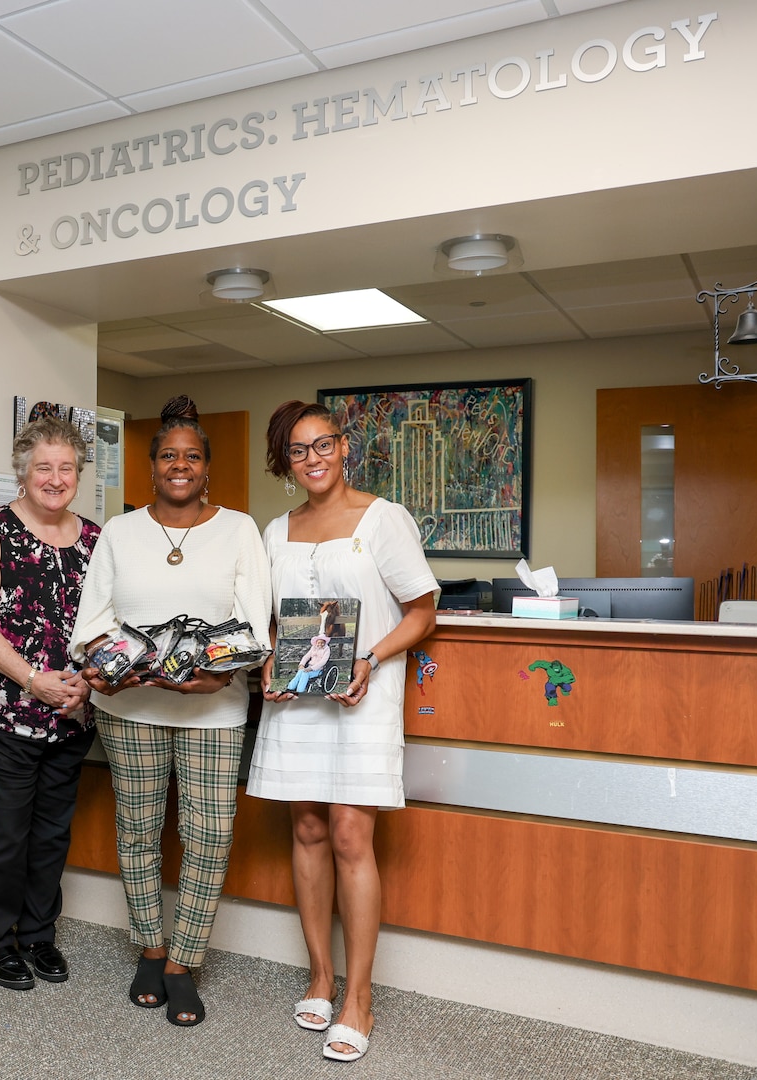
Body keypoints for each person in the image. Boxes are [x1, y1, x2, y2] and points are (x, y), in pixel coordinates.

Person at [70, 395, 272, 1028]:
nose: (178, 466)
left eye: (191, 457)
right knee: (138, 832)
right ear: (151, 465)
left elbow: (254, 624)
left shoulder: (239, 529)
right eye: (167, 456)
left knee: (209, 835)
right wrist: (110, 666)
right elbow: (91, 622)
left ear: (207, 467)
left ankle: (185, 961)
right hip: (132, 707)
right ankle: (150, 950)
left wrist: (215, 675)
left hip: (214, 709)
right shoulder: (120, 533)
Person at [247, 400, 438, 1063]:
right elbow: (274, 620)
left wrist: (370, 659)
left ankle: (358, 998)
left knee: (352, 833)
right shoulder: (276, 530)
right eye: (297, 450)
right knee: (306, 828)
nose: (312, 459)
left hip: (361, 693)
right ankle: (320, 978)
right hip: (298, 698)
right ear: (285, 461)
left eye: (321, 444)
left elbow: (421, 611)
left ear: (343, 447)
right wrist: (272, 653)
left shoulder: (381, 520)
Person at [0, 417, 101, 991]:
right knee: (3, 832)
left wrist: (87, 679)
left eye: (66, 467)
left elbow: (106, 625)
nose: (55, 478)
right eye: (44, 467)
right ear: (23, 472)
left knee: (50, 831)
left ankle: (38, 935)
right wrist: (33, 679)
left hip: (69, 711)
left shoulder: (94, 538)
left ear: (79, 474)